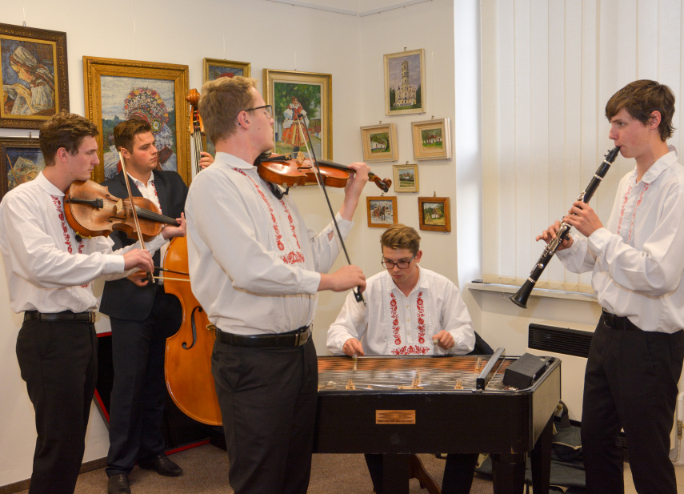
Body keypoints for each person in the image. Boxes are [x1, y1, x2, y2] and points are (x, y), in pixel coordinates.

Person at [185, 75, 370, 494]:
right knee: (261, 479)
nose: (272, 118)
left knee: (293, 474)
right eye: (266, 110)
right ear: (243, 119)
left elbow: (309, 259)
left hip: (299, 353)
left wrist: (349, 202)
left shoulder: (271, 183)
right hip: (254, 360)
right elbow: (250, 270)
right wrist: (329, 282)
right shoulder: (214, 183)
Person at [0, 112, 185, 494]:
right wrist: (120, 263)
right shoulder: (21, 202)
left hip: (82, 330)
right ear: (63, 154)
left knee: (72, 444)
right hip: (48, 334)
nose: (98, 161)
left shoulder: (82, 201)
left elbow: (106, 260)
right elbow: (43, 265)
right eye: (90, 153)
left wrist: (157, 239)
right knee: (58, 445)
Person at [537, 80, 684, 494]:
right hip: (608, 334)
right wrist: (571, 246)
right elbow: (605, 260)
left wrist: (598, 232)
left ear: (654, 120)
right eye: (611, 124)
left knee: (647, 457)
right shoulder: (629, 182)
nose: (611, 135)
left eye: (620, 123)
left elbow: (657, 276)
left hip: (650, 342)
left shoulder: (681, 189)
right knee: (596, 444)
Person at [326, 224, 476, 494]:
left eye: (403, 262)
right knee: (371, 431)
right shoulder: (369, 288)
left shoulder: (441, 287)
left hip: (432, 380)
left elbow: (466, 333)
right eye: (388, 262)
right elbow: (337, 330)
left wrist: (453, 338)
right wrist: (345, 341)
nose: (395, 269)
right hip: (383, 383)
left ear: (418, 256)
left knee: (469, 431)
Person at [100, 119, 189, 494]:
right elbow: (111, 251)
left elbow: (194, 226)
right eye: (144, 146)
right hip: (130, 299)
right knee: (128, 386)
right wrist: (161, 237)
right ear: (124, 152)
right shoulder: (109, 192)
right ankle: (118, 465)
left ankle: (153, 451)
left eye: (154, 143)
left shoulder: (173, 182)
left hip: (172, 294)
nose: (154, 150)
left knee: (156, 381)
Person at [3, 45, 56, 116]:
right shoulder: (37, 80)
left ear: (26, 67)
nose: (19, 76)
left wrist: (25, 94)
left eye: (18, 71)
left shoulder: (40, 85)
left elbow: (40, 113)